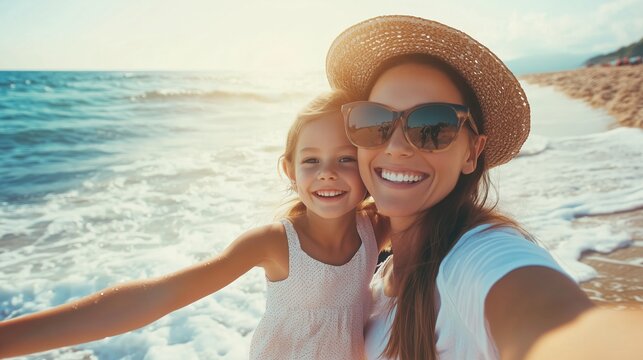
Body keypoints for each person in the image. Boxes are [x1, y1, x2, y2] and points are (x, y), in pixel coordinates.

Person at [326, 15, 643, 360]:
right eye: (375, 120)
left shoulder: (478, 256)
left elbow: (558, 325)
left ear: (472, 152)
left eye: (433, 125)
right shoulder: (378, 272)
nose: (397, 146)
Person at [0, 90, 388, 359]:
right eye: (311, 161)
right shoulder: (273, 243)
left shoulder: (374, 228)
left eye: (346, 159)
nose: (327, 174)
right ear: (289, 169)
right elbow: (158, 296)